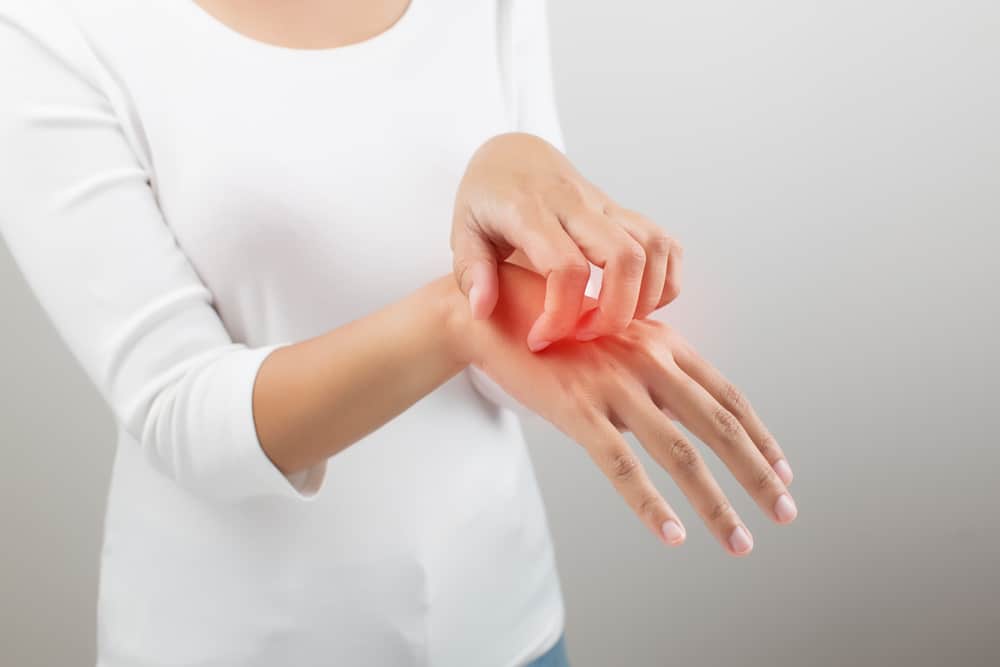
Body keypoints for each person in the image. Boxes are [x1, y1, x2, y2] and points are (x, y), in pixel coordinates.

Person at [0, 1, 798, 665]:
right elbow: (181, 412)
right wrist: (453, 320)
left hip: (504, 630)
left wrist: (542, 246)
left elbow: (513, 362)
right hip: (228, 642)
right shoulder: (53, 28)